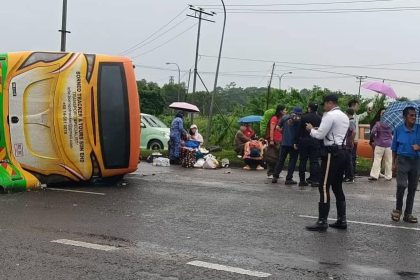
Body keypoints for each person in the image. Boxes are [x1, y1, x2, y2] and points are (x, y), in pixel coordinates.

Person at [305, 94, 349, 232]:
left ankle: (322, 221)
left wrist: (311, 129)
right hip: (343, 152)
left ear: (330, 103)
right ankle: (342, 219)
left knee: (323, 186)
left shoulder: (329, 115)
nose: (324, 107)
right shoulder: (344, 116)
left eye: (325, 104)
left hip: (332, 153)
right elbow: (333, 133)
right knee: (337, 186)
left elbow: (319, 135)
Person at [390, 107, 420, 223]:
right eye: (411, 115)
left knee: (412, 188)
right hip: (402, 160)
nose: (414, 117)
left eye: (415, 115)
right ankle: (398, 210)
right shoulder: (398, 129)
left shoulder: (419, 128)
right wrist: (393, 163)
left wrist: (419, 147)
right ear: (404, 117)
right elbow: (394, 148)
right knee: (402, 185)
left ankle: (408, 214)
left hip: (416, 161)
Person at [272, 107, 302, 185]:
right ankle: (288, 179)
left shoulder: (284, 117)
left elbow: (277, 127)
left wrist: (283, 132)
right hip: (294, 144)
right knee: (292, 161)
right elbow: (299, 132)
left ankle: (275, 177)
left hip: (284, 143)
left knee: (281, 160)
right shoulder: (299, 119)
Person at [297, 103, 321, 187]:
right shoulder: (319, 118)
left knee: (303, 160)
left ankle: (302, 180)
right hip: (315, 141)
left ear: (309, 108)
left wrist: (296, 141)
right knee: (314, 161)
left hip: (304, 141)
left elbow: (299, 130)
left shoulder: (304, 117)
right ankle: (314, 180)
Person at [347, 99, 372, 181]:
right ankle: (350, 173)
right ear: (353, 105)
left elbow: (360, 116)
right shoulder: (348, 116)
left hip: (355, 140)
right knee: (350, 157)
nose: (358, 107)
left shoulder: (354, 115)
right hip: (351, 140)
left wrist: (367, 113)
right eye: (357, 106)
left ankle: (352, 172)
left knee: (353, 157)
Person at [369, 109, 393, 181]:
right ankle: (388, 176)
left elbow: (373, 132)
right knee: (388, 161)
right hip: (389, 144)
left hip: (379, 144)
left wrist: (375, 138)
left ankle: (374, 175)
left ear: (380, 115)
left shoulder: (378, 123)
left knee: (377, 160)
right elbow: (393, 132)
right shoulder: (391, 123)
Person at [265, 105, 286, 179]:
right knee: (272, 157)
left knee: (279, 157)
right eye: (284, 110)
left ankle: (277, 172)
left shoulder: (283, 118)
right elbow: (271, 129)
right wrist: (271, 140)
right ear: (280, 111)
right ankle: (270, 172)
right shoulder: (274, 118)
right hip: (274, 140)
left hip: (281, 140)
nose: (285, 112)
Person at [343, 108, 356, 183]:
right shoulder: (350, 121)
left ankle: (350, 176)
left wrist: (351, 141)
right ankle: (348, 175)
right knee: (347, 159)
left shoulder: (351, 121)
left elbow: (354, 132)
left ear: (347, 113)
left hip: (348, 143)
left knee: (348, 160)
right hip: (347, 142)